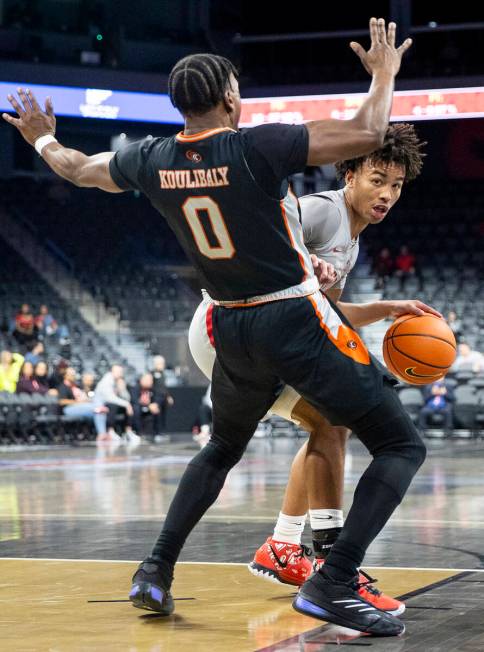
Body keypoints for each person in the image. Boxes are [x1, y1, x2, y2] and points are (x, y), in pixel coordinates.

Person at [4, 19, 423, 636]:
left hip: (230, 325)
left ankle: (154, 569)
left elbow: (74, 167)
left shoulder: (149, 158)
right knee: (400, 443)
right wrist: (384, 74)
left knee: (224, 447)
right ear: (231, 98)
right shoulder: (256, 147)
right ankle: (334, 581)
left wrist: (41, 139)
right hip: (288, 315)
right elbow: (367, 131)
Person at [188, 123, 427, 615]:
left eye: (397, 186)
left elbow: (326, 313)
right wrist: (299, 259)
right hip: (227, 328)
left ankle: (285, 547)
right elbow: (265, 235)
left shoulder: (353, 239)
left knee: (326, 422)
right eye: (377, 178)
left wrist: (386, 308)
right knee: (330, 419)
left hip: (260, 333)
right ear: (351, 172)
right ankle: (329, 560)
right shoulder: (322, 210)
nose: (387, 194)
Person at [58, 367, 108, 438]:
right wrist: (77, 402)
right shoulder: (63, 386)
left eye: (74, 375)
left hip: (81, 406)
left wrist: (85, 399)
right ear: (65, 375)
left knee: (99, 410)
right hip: (68, 409)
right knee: (98, 408)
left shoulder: (76, 386)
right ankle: (102, 432)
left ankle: (102, 434)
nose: (73, 376)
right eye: (71, 375)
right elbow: (61, 401)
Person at [94, 365, 137, 443]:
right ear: (112, 372)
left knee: (130, 407)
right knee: (113, 406)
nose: (121, 374)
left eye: (121, 372)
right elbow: (110, 399)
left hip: (110, 405)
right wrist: (126, 404)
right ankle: (111, 431)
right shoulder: (107, 380)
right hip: (100, 406)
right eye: (119, 372)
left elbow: (127, 398)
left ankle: (128, 431)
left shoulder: (118, 381)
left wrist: (122, 389)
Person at [130, 373, 163, 439]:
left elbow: (159, 397)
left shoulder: (154, 388)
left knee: (157, 409)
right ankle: (138, 432)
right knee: (136, 409)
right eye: (148, 380)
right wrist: (148, 405)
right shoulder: (135, 387)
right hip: (139, 407)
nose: (150, 382)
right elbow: (134, 400)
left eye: (151, 380)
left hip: (150, 407)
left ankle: (157, 433)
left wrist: (155, 404)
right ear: (142, 380)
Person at [150, 355, 175, 432]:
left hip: (163, 397)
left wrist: (168, 396)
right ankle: (156, 432)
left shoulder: (163, 375)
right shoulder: (152, 374)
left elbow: (164, 387)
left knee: (163, 415)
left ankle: (162, 431)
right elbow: (151, 387)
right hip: (156, 398)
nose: (162, 365)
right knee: (156, 415)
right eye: (160, 363)